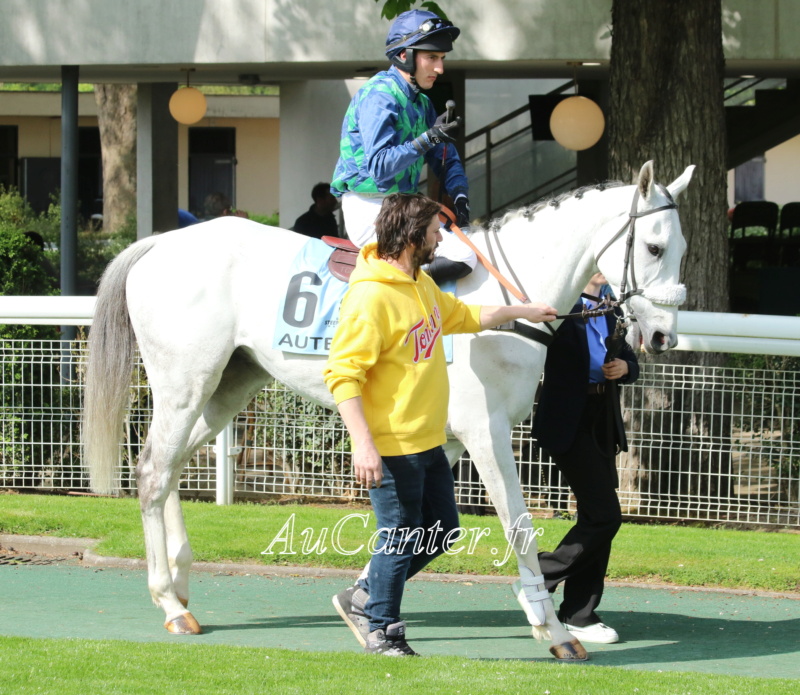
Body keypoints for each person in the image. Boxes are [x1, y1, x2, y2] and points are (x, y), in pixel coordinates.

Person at [323, 193, 557, 656]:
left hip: (427, 440)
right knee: (401, 534)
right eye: (434, 231)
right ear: (412, 236)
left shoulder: (419, 283)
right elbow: (342, 375)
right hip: (392, 446)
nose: (439, 239)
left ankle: (367, 596)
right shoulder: (371, 295)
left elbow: (464, 316)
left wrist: (522, 312)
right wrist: (362, 445)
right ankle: (382, 631)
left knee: (443, 530)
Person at [530, 272, 640, 645]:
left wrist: (625, 368)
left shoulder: (613, 306)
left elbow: (629, 359)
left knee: (597, 517)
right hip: (567, 420)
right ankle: (540, 577)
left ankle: (579, 612)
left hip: (601, 419)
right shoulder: (560, 301)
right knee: (606, 516)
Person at [330, 9, 476, 284]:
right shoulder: (380, 96)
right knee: (463, 257)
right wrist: (428, 138)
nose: (439, 68)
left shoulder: (421, 103)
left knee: (472, 246)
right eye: (432, 58)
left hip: (404, 209)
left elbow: (445, 155)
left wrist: (459, 194)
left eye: (442, 59)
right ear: (403, 56)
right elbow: (380, 168)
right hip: (370, 208)